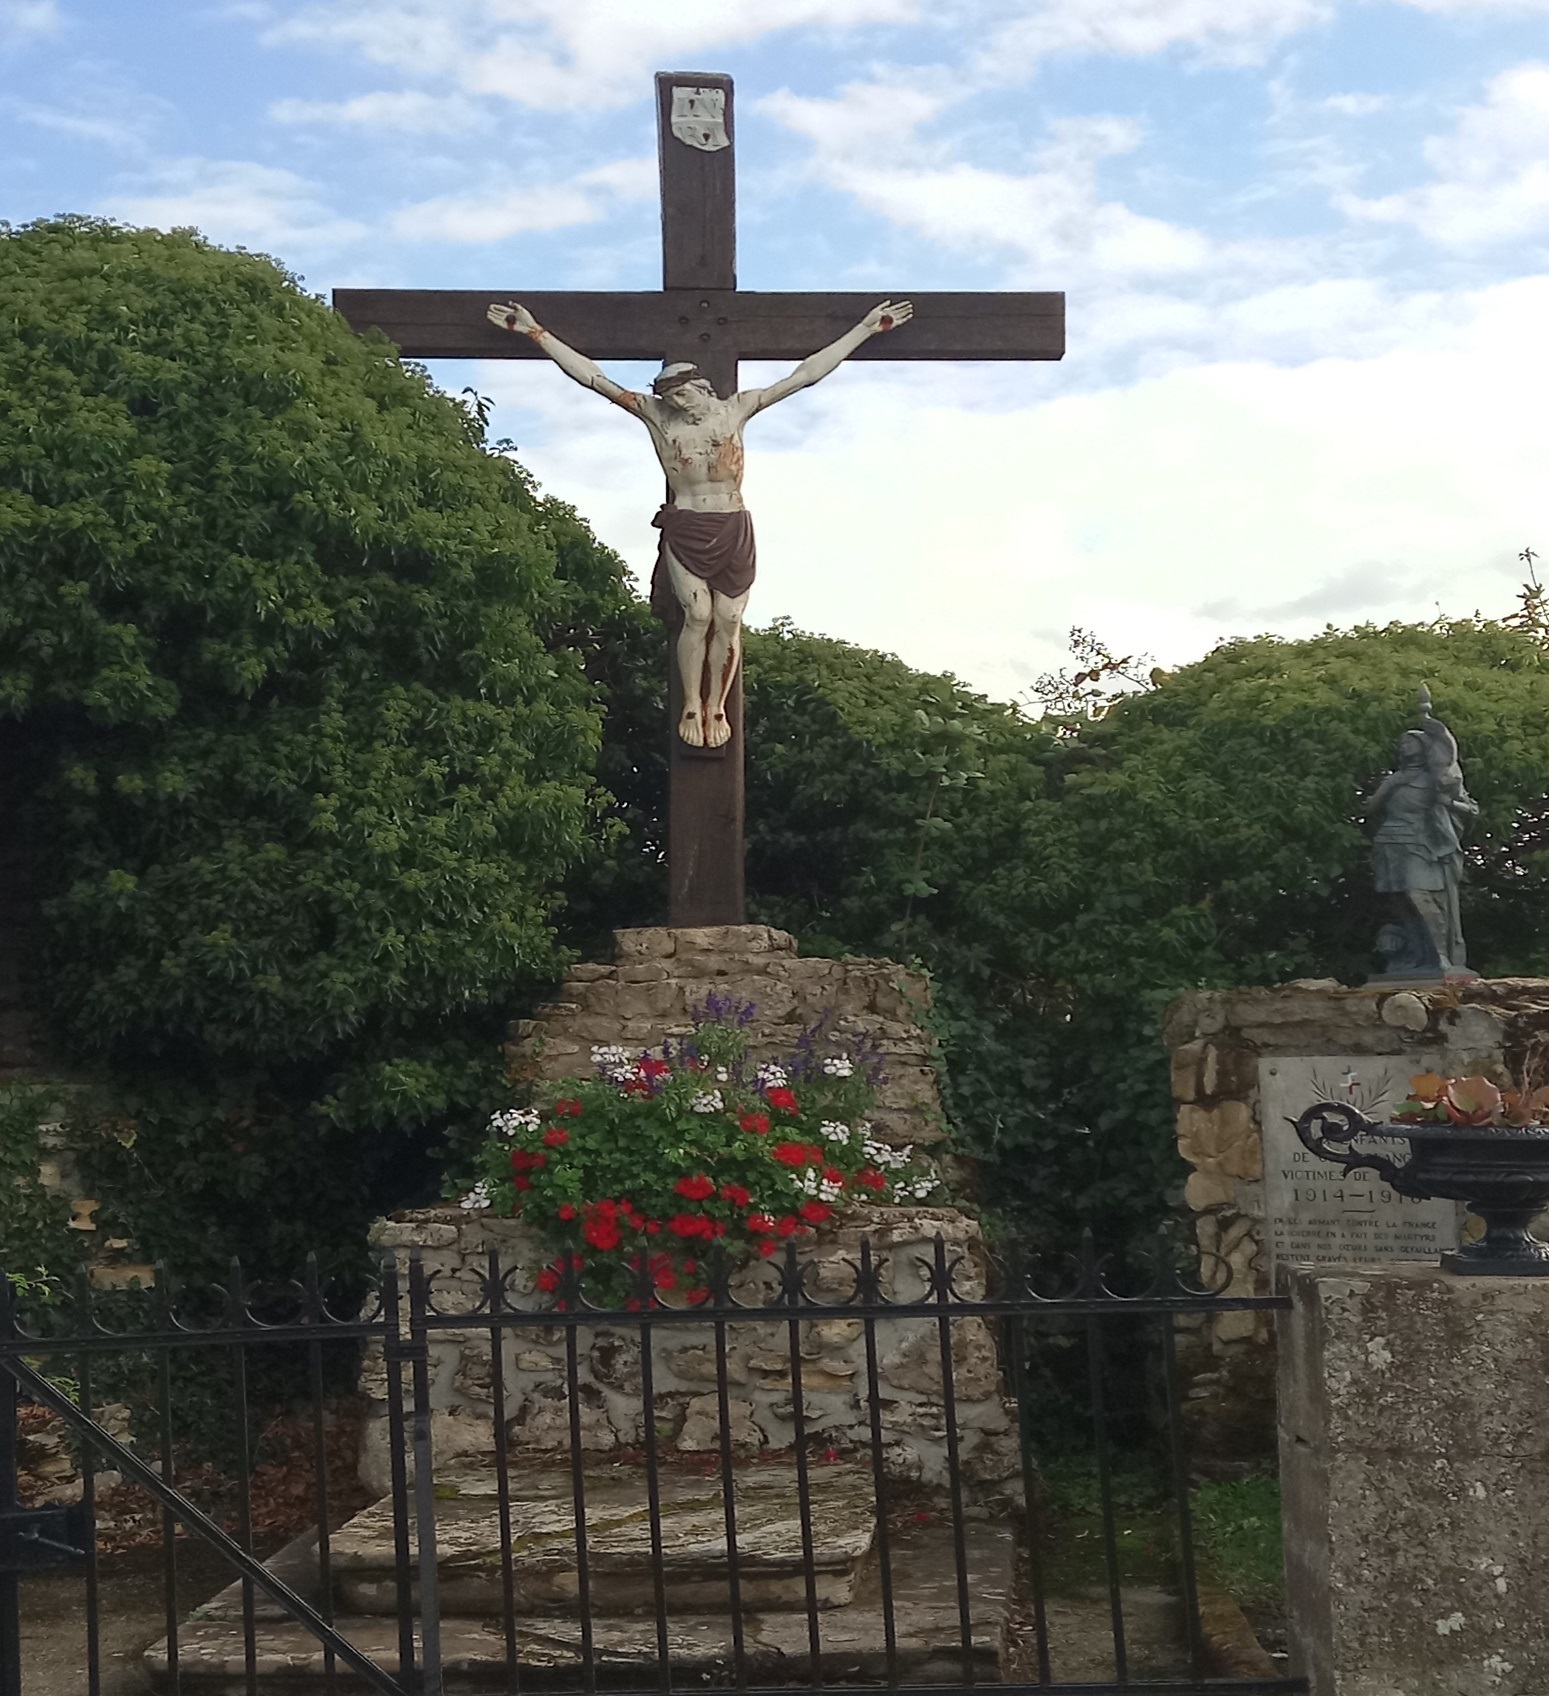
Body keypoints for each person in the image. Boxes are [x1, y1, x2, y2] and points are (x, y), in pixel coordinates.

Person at [486, 298, 914, 747]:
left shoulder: (736, 409)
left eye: (684, 394)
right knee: (698, 614)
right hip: (688, 524)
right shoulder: (657, 416)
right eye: (670, 397)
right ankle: (693, 702)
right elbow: (594, 377)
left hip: (731, 523)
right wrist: (536, 333)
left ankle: (717, 706)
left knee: (729, 619)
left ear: (704, 389)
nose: (678, 403)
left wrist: (865, 329)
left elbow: (804, 374)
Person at [1361, 687, 1478, 977]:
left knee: (1421, 897)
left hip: (1422, 844)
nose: (1403, 747)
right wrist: (1388, 788)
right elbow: (1370, 808)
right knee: (1401, 902)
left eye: (1409, 742)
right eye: (1400, 744)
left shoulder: (1438, 778)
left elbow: (1471, 810)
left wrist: (1448, 800)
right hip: (1390, 843)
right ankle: (1416, 955)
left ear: (1423, 747)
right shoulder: (1396, 779)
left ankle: (1441, 955)